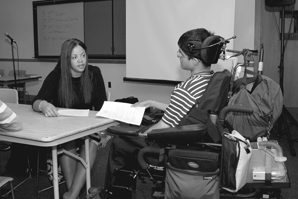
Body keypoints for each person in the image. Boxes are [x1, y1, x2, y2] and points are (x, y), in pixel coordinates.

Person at [94, 28, 224, 199]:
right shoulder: (208, 80)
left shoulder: (185, 89)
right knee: (141, 125)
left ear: (194, 60)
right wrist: (153, 103)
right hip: (197, 140)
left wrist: (141, 133)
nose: (178, 54)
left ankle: (112, 192)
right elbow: (188, 110)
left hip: (172, 146)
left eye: (181, 52)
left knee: (120, 141)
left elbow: (163, 127)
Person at [31, 38, 111, 199]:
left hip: (87, 127)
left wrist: (104, 130)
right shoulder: (57, 75)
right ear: (66, 59)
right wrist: (44, 105)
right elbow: (36, 102)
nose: (81, 60)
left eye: (83, 55)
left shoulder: (94, 73)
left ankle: (72, 194)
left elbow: (102, 106)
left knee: (93, 143)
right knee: (68, 142)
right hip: (64, 128)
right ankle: (73, 192)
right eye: (74, 57)